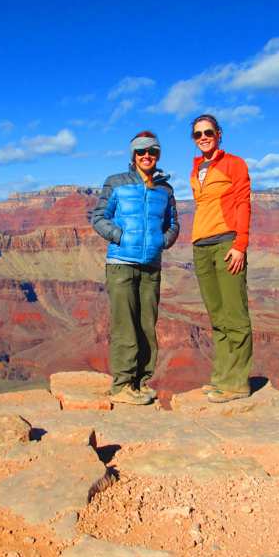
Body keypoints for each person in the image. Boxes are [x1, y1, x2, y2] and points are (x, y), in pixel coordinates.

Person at [90, 131, 179, 405]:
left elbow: (173, 224)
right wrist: (120, 237)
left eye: (152, 151)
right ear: (133, 156)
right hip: (121, 265)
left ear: (158, 154)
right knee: (124, 325)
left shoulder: (165, 189)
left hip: (151, 265)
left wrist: (162, 241)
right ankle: (122, 384)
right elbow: (98, 217)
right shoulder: (116, 183)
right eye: (141, 152)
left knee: (146, 326)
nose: (146, 156)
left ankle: (141, 382)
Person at [189, 114, 253, 403]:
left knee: (235, 314)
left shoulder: (234, 163)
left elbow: (242, 203)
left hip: (226, 243)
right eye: (198, 134)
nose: (203, 137)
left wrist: (240, 244)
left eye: (208, 132)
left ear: (219, 134)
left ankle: (238, 382)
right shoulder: (196, 168)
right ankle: (221, 377)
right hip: (201, 246)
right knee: (217, 315)